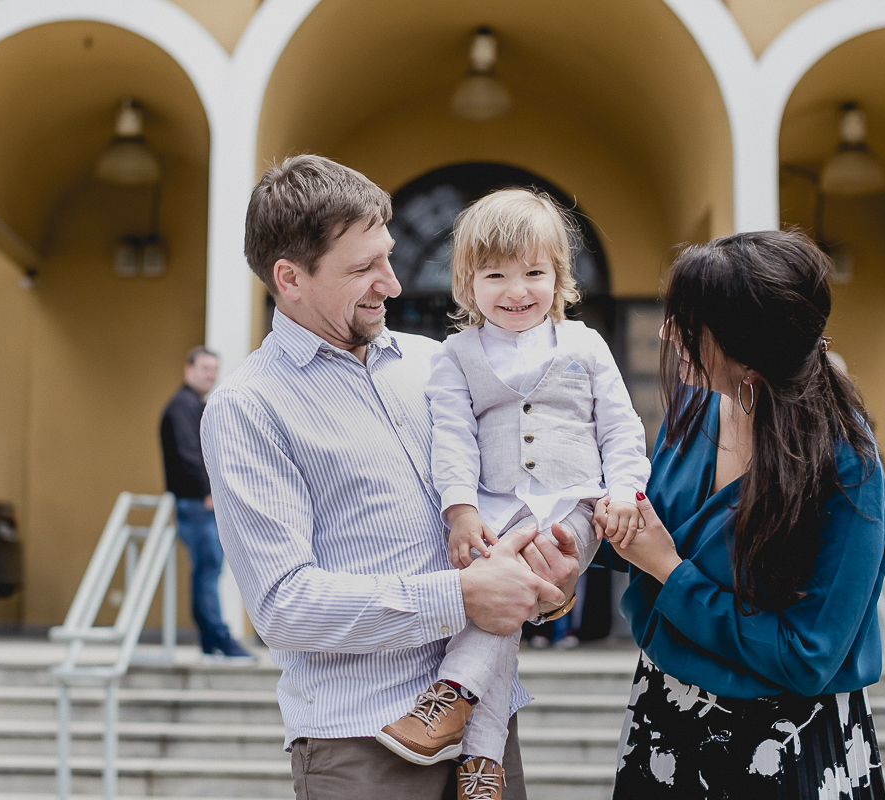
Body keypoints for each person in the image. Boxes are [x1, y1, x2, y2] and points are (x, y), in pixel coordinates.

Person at [200, 155, 583, 800]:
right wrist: (462, 595)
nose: (394, 284)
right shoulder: (247, 407)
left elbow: (508, 500)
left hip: (486, 734)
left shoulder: (439, 363)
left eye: (389, 257)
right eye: (363, 268)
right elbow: (282, 606)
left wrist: (546, 578)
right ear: (290, 278)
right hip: (360, 745)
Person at [593, 229, 885, 798]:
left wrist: (670, 572)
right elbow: (657, 534)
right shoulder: (697, 403)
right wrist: (581, 541)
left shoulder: (846, 468)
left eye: (689, 325)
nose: (666, 334)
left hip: (785, 746)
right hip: (666, 719)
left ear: (750, 353)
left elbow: (807, 657)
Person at [377, 190, 650, 793]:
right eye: (495, 275)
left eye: (534, 273)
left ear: (559, 276)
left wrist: (625, 491)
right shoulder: (456, 354)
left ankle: (451, 693)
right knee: (499, 608)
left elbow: (620, 427)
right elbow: (452, 437)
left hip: (576, 507)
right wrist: (460, 510)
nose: (516, 290)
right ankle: (483, 766)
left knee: (506, 589)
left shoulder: (585, 344)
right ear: (467, 283)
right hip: (497, 509)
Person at [160, 346, 255, 663]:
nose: (210, 375)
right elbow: (189, 455)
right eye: (204, 368)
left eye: (214, 369)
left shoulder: (194, 405)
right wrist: (208, 492)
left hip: (198, 503)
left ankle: (210, 642)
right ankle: (219, 639)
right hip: (197, 505)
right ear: (188, 370)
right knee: (208, 571)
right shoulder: (182, 406)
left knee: (206, 571)